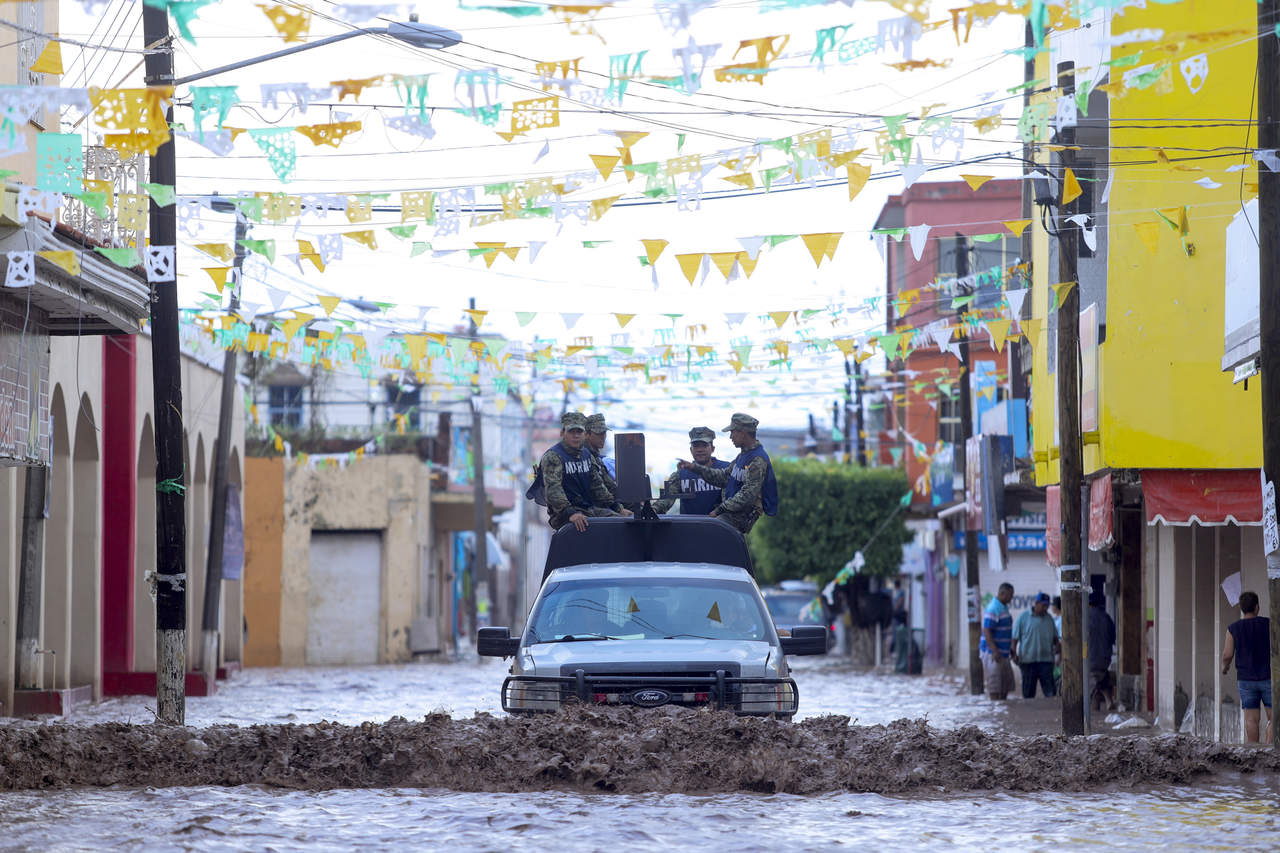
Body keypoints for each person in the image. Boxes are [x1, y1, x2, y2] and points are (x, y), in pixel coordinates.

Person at [675, 412, 778, 535]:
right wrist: (694, 468)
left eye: (732, 432)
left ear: (743, 433)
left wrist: (719, 510)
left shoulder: (757, 459)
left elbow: (747, 495)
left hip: (737, 518)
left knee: (711, 534)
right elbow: (723, 477)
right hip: (729, 514)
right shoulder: (743, 456)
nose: (731, 437)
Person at [531, 412, 624, 531]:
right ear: (562, 433)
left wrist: (618, 508)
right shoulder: (553, 457)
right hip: (563, 515)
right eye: (571, 432)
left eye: (579, 432)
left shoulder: (587, 455)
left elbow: (597, 487)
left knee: (621, 522)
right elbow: (554, 491)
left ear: (584, 434)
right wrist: (570, 513)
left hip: (587, 510)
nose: (575, 436)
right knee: (606, 527)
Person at [1221, 590, 1272, 743]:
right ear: (1257, 607)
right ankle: (1271, 750)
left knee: (1251, 720)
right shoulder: (1268, 624)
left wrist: (1225, 667)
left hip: (1246, 680)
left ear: (1242, 609)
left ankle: (1254, 753)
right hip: (1268, 677)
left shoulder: (1233, 628)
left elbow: (1227, 654)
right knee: (1274, 718)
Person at [653, 426, 731, 515]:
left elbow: (733, 499)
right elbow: (666, 498)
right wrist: (654, 510)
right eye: (696, 446)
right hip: (690, 525)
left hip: (719, 525)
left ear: (713, 448)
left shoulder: (726, 469)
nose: (700, 450)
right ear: (691, 450)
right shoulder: (681, 474)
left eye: (704, 446)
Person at [1011, 592, 1060, 698]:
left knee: (1050, 692)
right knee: (1028, 694)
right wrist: (1014, 654)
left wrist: (1057, 647)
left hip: (1046, 661)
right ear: (1036, 603)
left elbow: (1055, 638)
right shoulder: (1023, 618)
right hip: (1028, 661)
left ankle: (1050, 714)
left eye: (1047, 606)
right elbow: (1014, 639)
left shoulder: (1049, 619)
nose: (1045, 608)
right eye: (1043, 605)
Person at [980, 582, 1015, 700]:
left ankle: (1002, 710)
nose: (1011, 598)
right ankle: (995, 709)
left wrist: (1010, 650)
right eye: (1010, 595)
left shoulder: (1003, 607)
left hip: (1003, 653)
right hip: (993, 653)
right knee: (995, 686)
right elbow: (987, 631)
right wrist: (995, 651)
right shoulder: (993, 608)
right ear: (1002, 593)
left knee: (1005, 685)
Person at [1087, 590, 1117, 711]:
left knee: (1092, 683)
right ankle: (1108, 700)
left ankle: (1095, 706)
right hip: (1105, 656)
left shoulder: (1084, 617)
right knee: (1101, 677)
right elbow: (1112, 638)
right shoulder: (1106, 617)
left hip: (1090, 656)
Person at [584, 413, 618, 501]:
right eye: (599, 433)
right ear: (587, 434)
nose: (603, 437)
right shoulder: (583, 456)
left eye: (604, 433)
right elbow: (599, 489)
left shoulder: (597, 458)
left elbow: (610, 486)